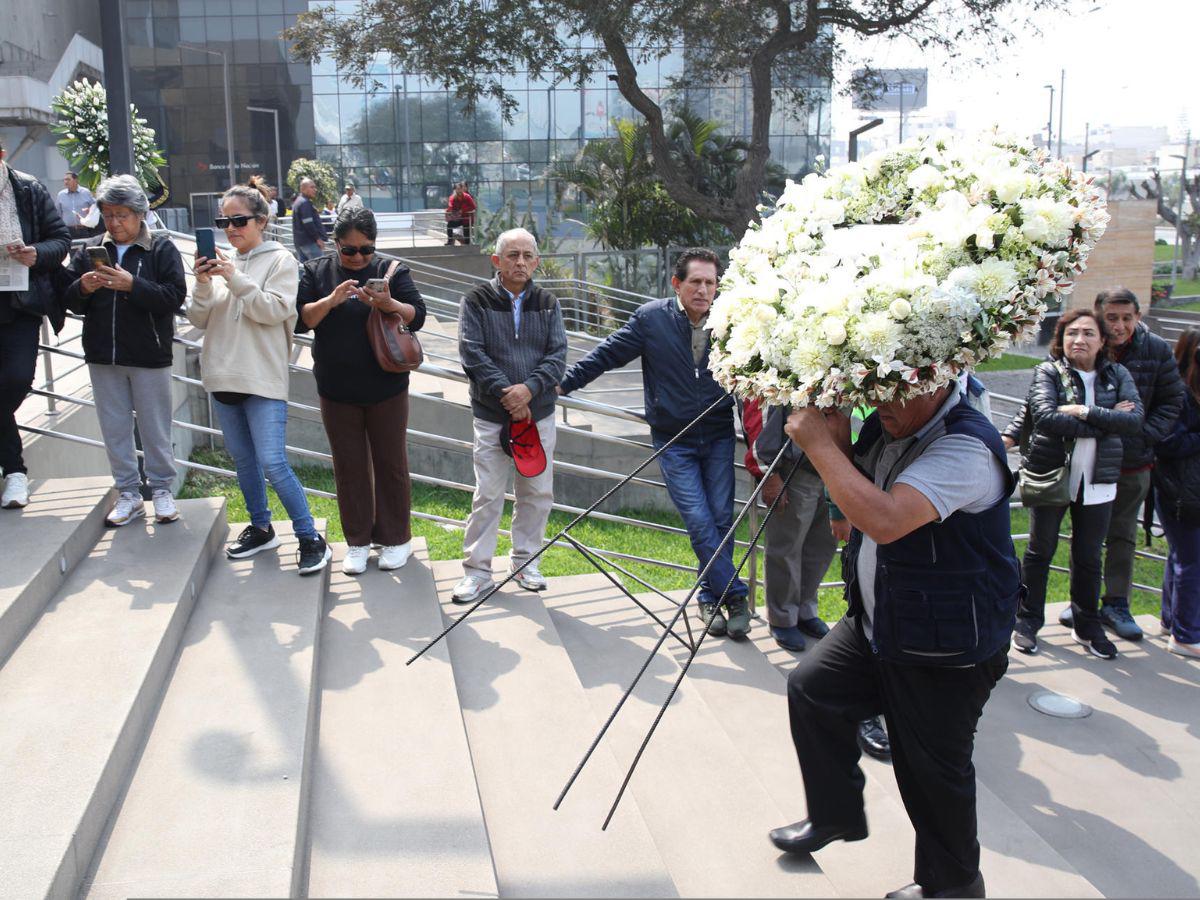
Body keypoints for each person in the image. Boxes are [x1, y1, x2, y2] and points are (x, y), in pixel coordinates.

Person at [770, 377, 1022, 900]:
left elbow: (886, 519)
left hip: (945, 644)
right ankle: (835, 814)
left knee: (930, 772)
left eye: (896, 389)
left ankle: (953, 887)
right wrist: (838, 442)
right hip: (881, 623)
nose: (881, 403)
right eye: (875, 388)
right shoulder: (890, 427)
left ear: (939, 381)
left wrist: (819, 447)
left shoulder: (965, 446)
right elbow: (858, 494)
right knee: (812, 689)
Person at [559, 249, 752, 639]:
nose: (703, 290)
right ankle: (735, 595)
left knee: (720, 520)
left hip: (717, 436)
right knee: (699, 520)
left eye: (710, 283)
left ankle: (709, 598)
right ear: (676, 284)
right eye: (695, 282)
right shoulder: (651, 319)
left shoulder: (731, 323)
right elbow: (605, 355)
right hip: (674, 439)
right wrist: (561, 383)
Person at [187, 184, 331, 575]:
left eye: (239, 220)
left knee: (272, 461)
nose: (231, 228)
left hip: (262, 379)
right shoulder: (221, 263)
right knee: (244, 462)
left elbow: (275, 310)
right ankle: (260, 526)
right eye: (224, 221)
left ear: (262, 221)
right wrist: (203, 283)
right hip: (221, 376)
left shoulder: (281, 260)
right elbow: (198, 319)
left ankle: (309, 536)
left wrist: (234, 277)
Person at [1004, 308, 1142, 658]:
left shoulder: (1118, 375)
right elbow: (1048, 419)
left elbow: (1135, 421)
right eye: (1071, 333)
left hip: (1098, 481)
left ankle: (1087, 625)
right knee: (1039, 551)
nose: (1079, 340)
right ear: (1060, 339)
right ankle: (1028, 620)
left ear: (1101, 340)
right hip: (1052, 476)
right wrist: (1110, 421)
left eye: (1088, 333)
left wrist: (1083, 412)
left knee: (1088, 557)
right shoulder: (1048, 372)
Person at [296, 206, 426, 575]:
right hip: (336, 389)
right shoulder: (315, 270)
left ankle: (396, 539)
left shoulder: (393, 270)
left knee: (391, 463)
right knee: (348, 467)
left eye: (365, 249)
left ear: (374, 245)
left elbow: (419, 313)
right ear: (336, 244)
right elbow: (301, 319)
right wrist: (332, 299)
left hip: (387, 386)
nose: (358, 257)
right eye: (349, 250)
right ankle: (357, 541)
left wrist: (389, 304)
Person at [1057, 288, 1184, 641]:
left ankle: (1116, 602)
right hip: (1086, 460)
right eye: (1111, 318)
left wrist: (1143, 436)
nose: (1119, 325)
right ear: (1099, 317)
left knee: (1122, 536)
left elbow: (1172, 400)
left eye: (1127, 318)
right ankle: (1082, 602)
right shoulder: (1084, 346)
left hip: (1133, 462)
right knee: (1085, 536)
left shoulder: (1156, 349)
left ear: (1138, 317)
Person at [61, 175, 187, 526]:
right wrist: (83, 286)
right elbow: (70, 300)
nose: (114, 223)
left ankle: (162, 490)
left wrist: (133, 285)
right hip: (103, 354)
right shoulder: (89, 251)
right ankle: (128, 493)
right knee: (114, 428)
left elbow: (174, 298)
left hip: (149, 355)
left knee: (155, 427)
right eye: (108, 214)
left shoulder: (160, 249)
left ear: (140, 215)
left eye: (122, 215)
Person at [451, 227, 567, 603]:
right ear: (496, 261)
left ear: (536, 261)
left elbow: (557, 356)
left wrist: (529, 390)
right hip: (491, 415)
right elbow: (472, 353)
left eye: (527, 255)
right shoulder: (476, 300)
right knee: (487, 493)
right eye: (512, 255)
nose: (520, 262)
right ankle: (477, 571)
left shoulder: (548, 302)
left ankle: (525, 562)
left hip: (539, 416)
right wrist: (509, 394)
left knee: (537, 491)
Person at [0, 138, 71, 510]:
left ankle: (13, 473)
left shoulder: (27, 189)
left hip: (20, 305)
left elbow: (61, 239)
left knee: (15, 380)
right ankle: (14, 472)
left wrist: (35, 254)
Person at [742, 397, 836, 652]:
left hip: (834, 467)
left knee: (822, 545)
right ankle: (782, 617)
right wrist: (769, 473)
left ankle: (805, 610)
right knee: (786, 546)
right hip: (795, 469)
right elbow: (758, 414)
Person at [1153, 328, 1200, 659]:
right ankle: (1186, 634)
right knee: (1191, 562)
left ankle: (1172, 622)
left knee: (1181, 557)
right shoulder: (1179, 395)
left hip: (1189, 491)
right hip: (1179, 493)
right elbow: (1167, 443)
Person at [291, 178, 328, 262]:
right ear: (303, 189)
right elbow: (308, 223)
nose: (315, 190)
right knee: (319, 267)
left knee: (305, 271)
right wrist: (317, 239)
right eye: (312, 187)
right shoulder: (304, 203)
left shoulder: (298, 201)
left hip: (301, 243)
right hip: (310, 243)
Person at [56, 171, 95, 240]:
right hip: (68, 231)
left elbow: (94, 209)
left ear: (76, 180)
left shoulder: (86, 192)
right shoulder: (61, 195)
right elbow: (58, 214)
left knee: (85, 249)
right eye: (64, 180)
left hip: (84, 230)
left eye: (68, 179)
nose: (65, 182)